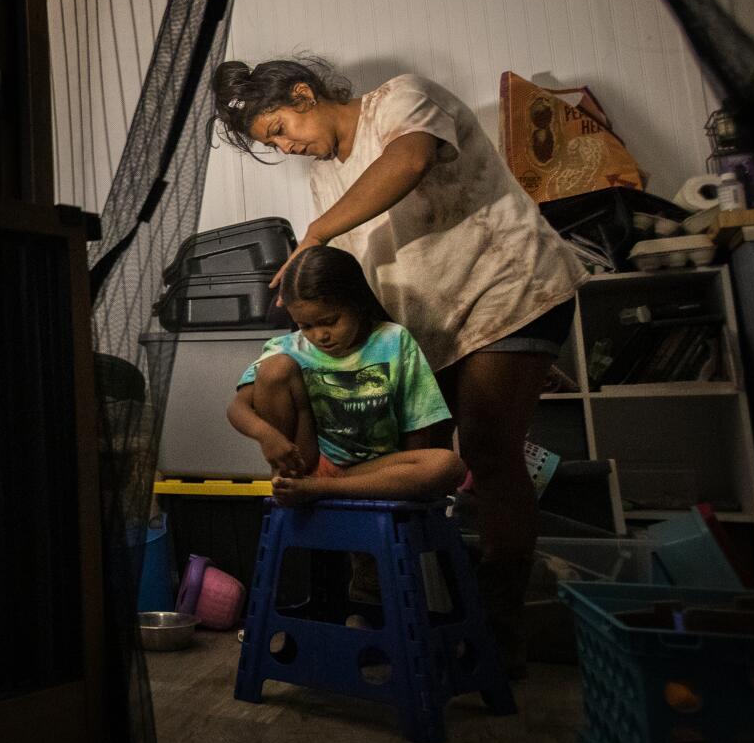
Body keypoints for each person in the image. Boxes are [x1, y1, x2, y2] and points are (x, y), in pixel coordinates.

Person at [212, 56, 582, 676]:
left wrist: (315, 235)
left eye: (279, 128)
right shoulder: (325, 180)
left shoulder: (402, 100)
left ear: (304, 93)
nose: (286, 145)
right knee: (396, 463)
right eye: (272, 143)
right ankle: (384, 615)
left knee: (489, 451)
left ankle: (495, 636)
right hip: (425, 332)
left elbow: (408, 161)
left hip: (510, 292)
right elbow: (360, 281)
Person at [226, 245, 463, 507]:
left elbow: (419, 423)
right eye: (306, 326)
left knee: (448, 465)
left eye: (330, 321)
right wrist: (266, 435)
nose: (320, 335)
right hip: (309, 464)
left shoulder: (393, 340)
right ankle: (301, 483)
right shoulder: (287, 348)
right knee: (274, 368)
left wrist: (411, 478)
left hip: (373, 472)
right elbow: (238, 408)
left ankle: (323, 489)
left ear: (357, 302)